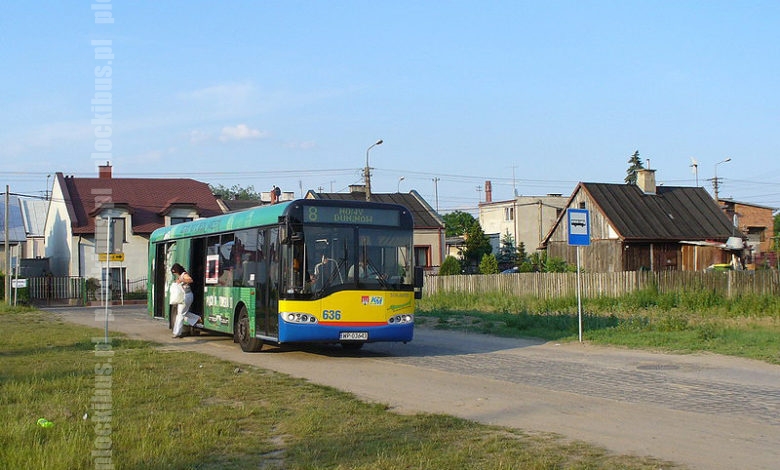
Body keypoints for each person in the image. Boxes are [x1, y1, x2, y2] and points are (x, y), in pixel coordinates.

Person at [171, 263, 195, 338]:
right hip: (184, 296)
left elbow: (190, 280)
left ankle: (177, 332)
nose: (175, 274)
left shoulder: (184, 274)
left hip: (186, 296)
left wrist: (182, 280)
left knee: (180, 314)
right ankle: (197, 319)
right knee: (183, 313)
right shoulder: (180, 276)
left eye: (175, 272)